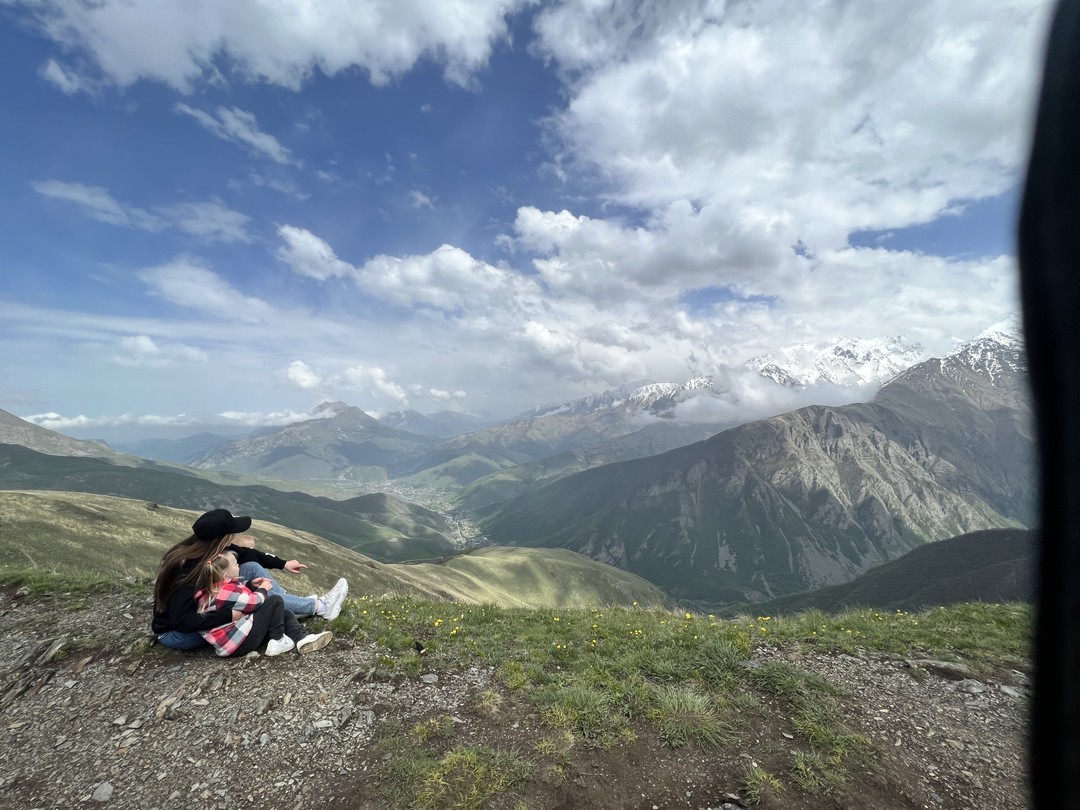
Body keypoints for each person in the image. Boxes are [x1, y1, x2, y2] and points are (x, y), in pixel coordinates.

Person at [152, 508, 348, 650]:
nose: (236, 536)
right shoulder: (187, 572)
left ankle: (289, 606)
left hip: (203, 608)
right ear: (223, 539)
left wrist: (283, 563)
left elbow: (249, 555)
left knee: (251, 568)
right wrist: (229, 616)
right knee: (257, 605)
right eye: (232, 534)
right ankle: (319, 607)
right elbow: (182, 621)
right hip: (179, 635)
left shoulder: (212, 551)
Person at [195, 551, 333, 657]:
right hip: (240, 644)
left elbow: (236, 596)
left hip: (234, 642)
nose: (239, 566)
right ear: (225, 576)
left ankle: (301, 639)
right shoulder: (226, 592)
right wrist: (262, 589)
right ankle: (277, 640)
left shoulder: (212, 590)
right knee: (275, 601)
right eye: (236, 564)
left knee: (285, 612)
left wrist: (250, 585)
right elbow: (253, 603)